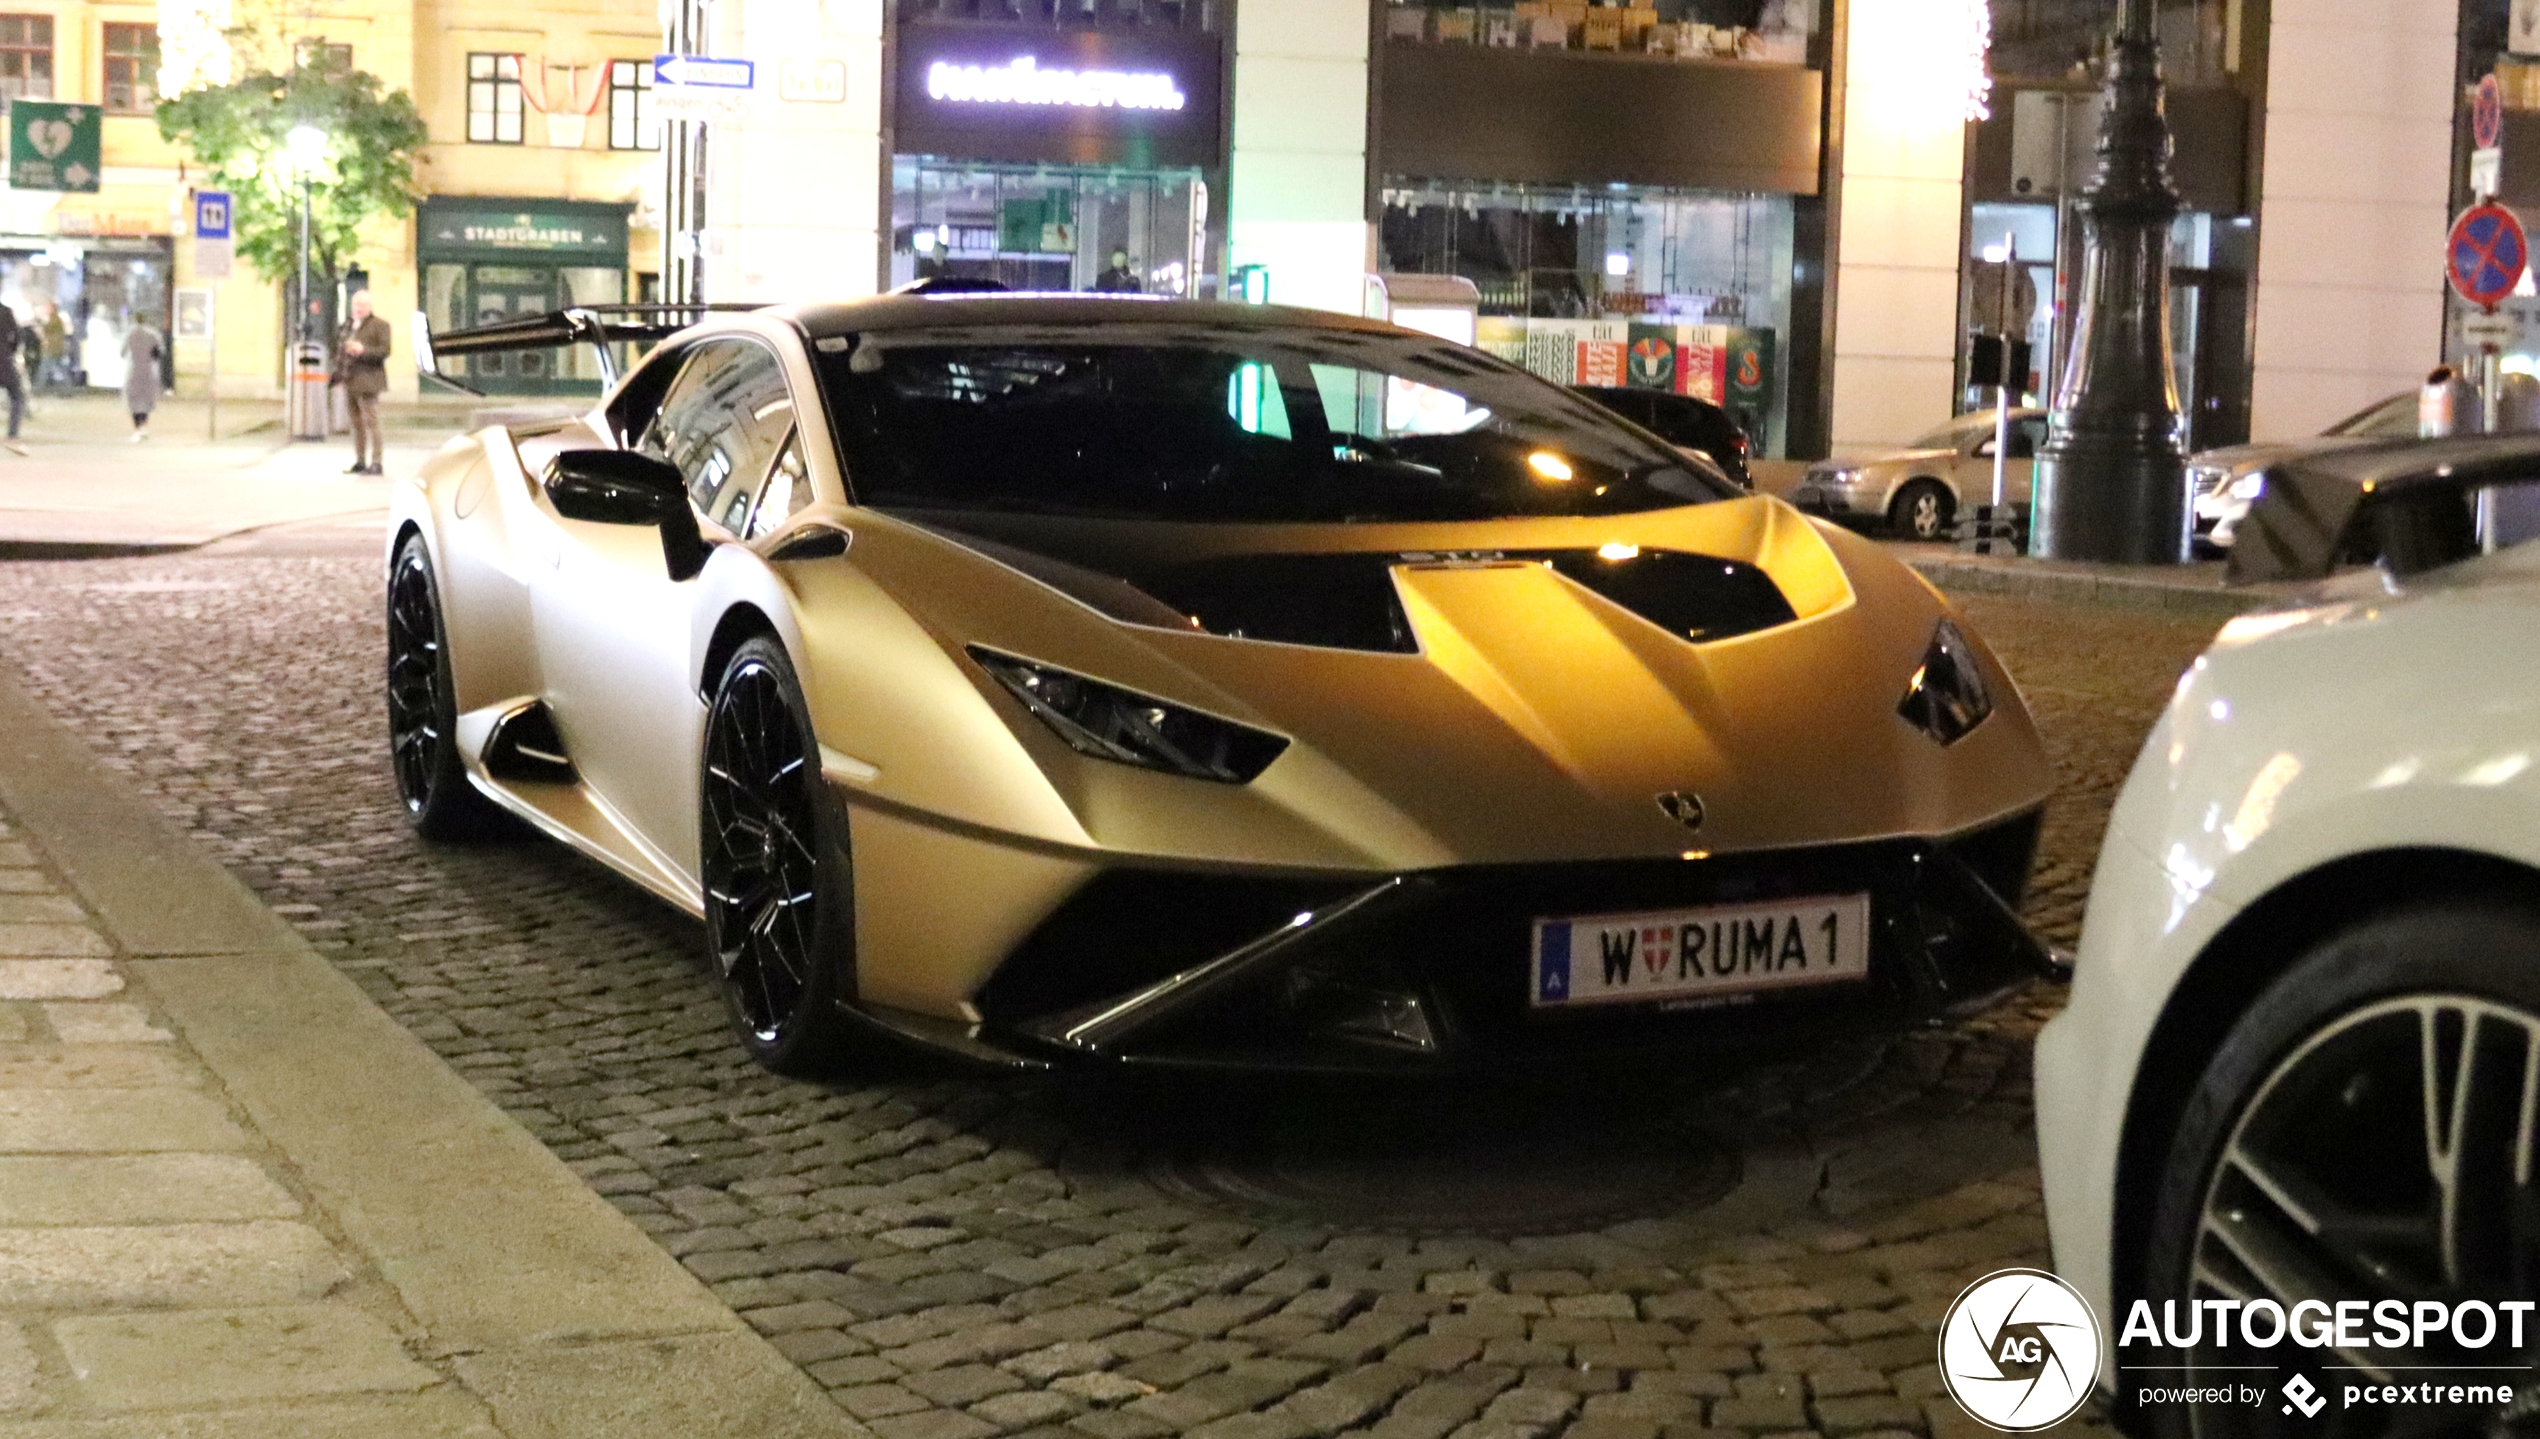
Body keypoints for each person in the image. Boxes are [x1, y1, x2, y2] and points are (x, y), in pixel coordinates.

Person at [336, 290, 390, 475]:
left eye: (362, 305)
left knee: (371, 422)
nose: (358, 309)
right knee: (356, 423)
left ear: (369, 306)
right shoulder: (349, 326)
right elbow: (339, 347)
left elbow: (384, 351)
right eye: (356, 305)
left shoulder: (380, 325)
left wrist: (362, 350)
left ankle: (376, 462)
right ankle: (360, 460)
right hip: (350, 379)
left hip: (369, 380)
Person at [121, 315, 163, 441]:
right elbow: (158, 354)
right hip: (148, 371)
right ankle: (144, 426)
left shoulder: (130, 334)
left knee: (133, 401)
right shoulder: (153, 335)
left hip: (134, 371)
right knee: (146, 401)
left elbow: (122, 353)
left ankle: (137, 428)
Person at [0, 300, 26, 455]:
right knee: (17, 396)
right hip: (3, 359)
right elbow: (17, 335)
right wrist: (11, 351)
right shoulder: (5, 311)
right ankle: (12, 434)